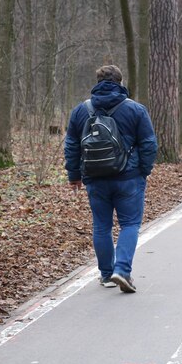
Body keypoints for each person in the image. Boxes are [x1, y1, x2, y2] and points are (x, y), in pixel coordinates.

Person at [64, 65, 157, 293]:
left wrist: (74, 176)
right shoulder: (135, 109)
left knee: (102, 226)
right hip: (128, 177)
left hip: (95, 178)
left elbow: (72, 145)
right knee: (130, 224)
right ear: (120, 81)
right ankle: (122, 270)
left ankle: (106, 274)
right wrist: (142, 170)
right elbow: (148, 144)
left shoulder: (80, 110)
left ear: (97, 82)